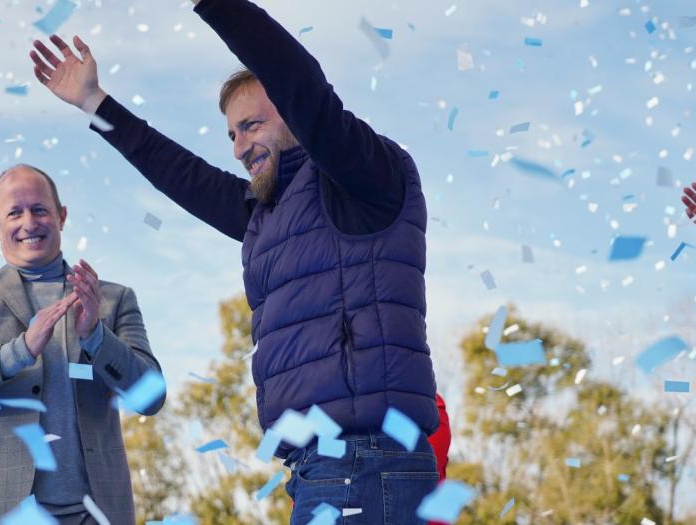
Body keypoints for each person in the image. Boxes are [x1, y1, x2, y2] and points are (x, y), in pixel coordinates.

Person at [31, 0, 439, 521]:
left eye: (250, 125)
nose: (239, 147)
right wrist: (95, 102)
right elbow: (179, 172)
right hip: (320, 467)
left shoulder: (364, 179)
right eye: (231, 135)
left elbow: (302, 86)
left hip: (365, 461)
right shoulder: (263, 213)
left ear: (291, 111)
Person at [0, 164, 164, 525]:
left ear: (61, 216)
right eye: (14, 212)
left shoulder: (113, 298)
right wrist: (18, 352)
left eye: (40, 209)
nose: (28, 222)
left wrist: (96, 335)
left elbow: (151, 397)